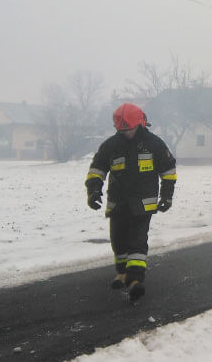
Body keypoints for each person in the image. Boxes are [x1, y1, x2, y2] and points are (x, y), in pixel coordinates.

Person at [85, 103, 177, 302]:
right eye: (122, 130)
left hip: (143, 205)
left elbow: (168, 171)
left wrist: (167, 196)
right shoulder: (111, 145)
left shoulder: (154, 144)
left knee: (137, 241)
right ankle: (122, 272)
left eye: (129, 129)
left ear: (139, 124)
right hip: (118, 203)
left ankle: (136, 281)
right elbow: (97, 170)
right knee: (118, 241)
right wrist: (93, 191)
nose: (126, 133)